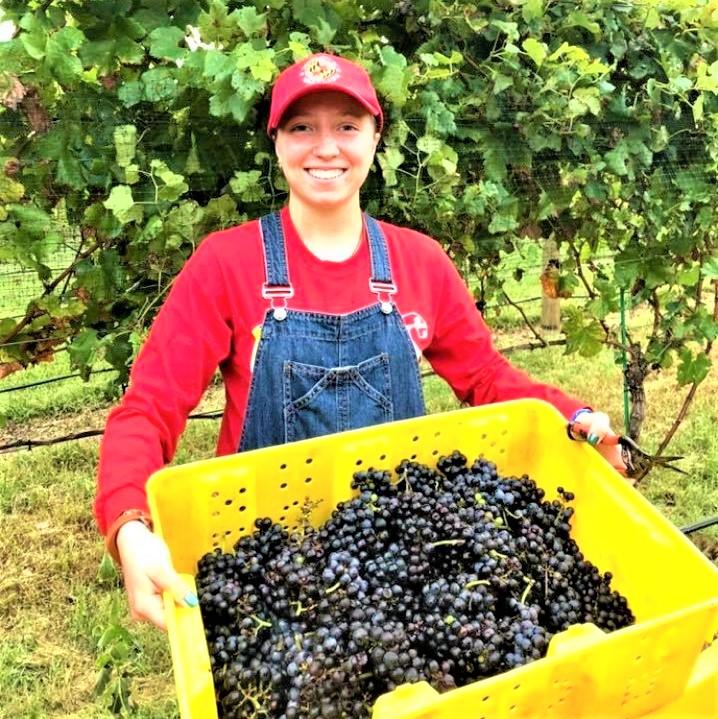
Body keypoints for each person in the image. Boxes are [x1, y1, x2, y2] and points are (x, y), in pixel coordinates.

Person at [94, 53, 625, 630]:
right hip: (268, 565)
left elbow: (488, 379)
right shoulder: (226, 264)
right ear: (277, 143)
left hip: (401, 561)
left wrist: (572, 415)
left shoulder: (419, 262)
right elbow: (147, 410)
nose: (326, 147)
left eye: (347, 126)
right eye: (303, 128)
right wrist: (129, 526)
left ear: (376, 138)